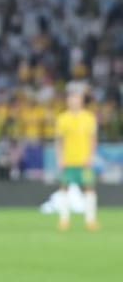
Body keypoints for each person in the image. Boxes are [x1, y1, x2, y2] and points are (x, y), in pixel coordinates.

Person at [54, 88, 99, 231]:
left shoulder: (89, 118)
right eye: (71, 99)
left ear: (81, 101)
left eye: (76, 99)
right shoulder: (62, 118)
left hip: (84, 161)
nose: (73, 102)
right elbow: (59, 141)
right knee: (64, 188)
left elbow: (93, 140)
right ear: (68, 101)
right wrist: (60, 158)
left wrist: (91, 157)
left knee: (89, 188)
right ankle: (64, 220)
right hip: (68, 161)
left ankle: (90, 220)